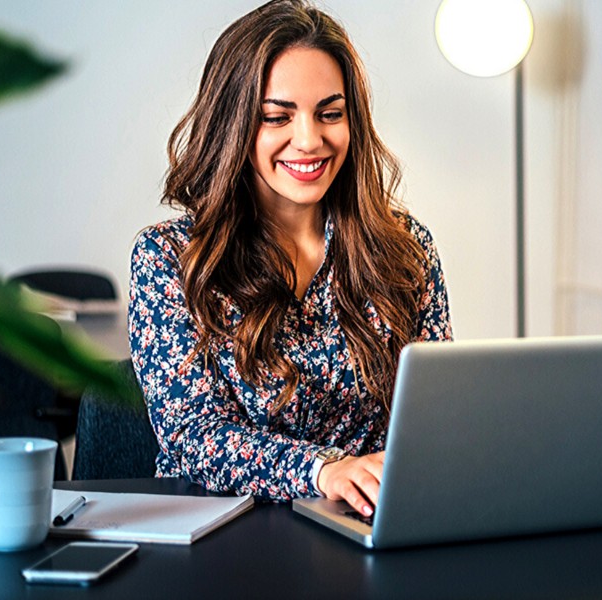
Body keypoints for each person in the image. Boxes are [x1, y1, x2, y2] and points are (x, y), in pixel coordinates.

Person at [128, 0, 452, 518]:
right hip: (225, 541)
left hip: (371, 529)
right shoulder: (171, 256)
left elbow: (437, 415)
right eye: (277, 116)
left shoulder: (406, 248)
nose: (310, 140)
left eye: (330, 113)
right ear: (232, 126)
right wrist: (324, 470)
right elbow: (193, 438)